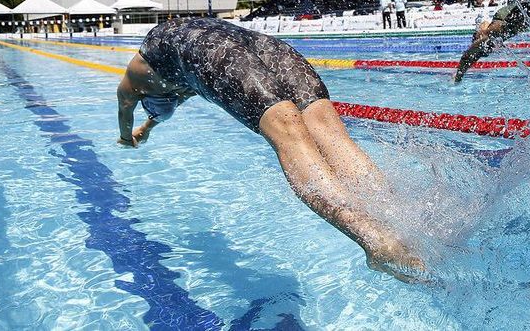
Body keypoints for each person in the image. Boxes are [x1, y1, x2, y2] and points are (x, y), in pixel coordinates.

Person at [117, 17, 425, 282]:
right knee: (330, 132)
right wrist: (148, 128)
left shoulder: (133, 81)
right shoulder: (175, 66)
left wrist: (126, 136)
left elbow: (124, 109)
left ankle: (377, 240)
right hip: (263, 45)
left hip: (215, 52)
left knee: (289, 135)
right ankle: (404, 222)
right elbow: (194, 83)